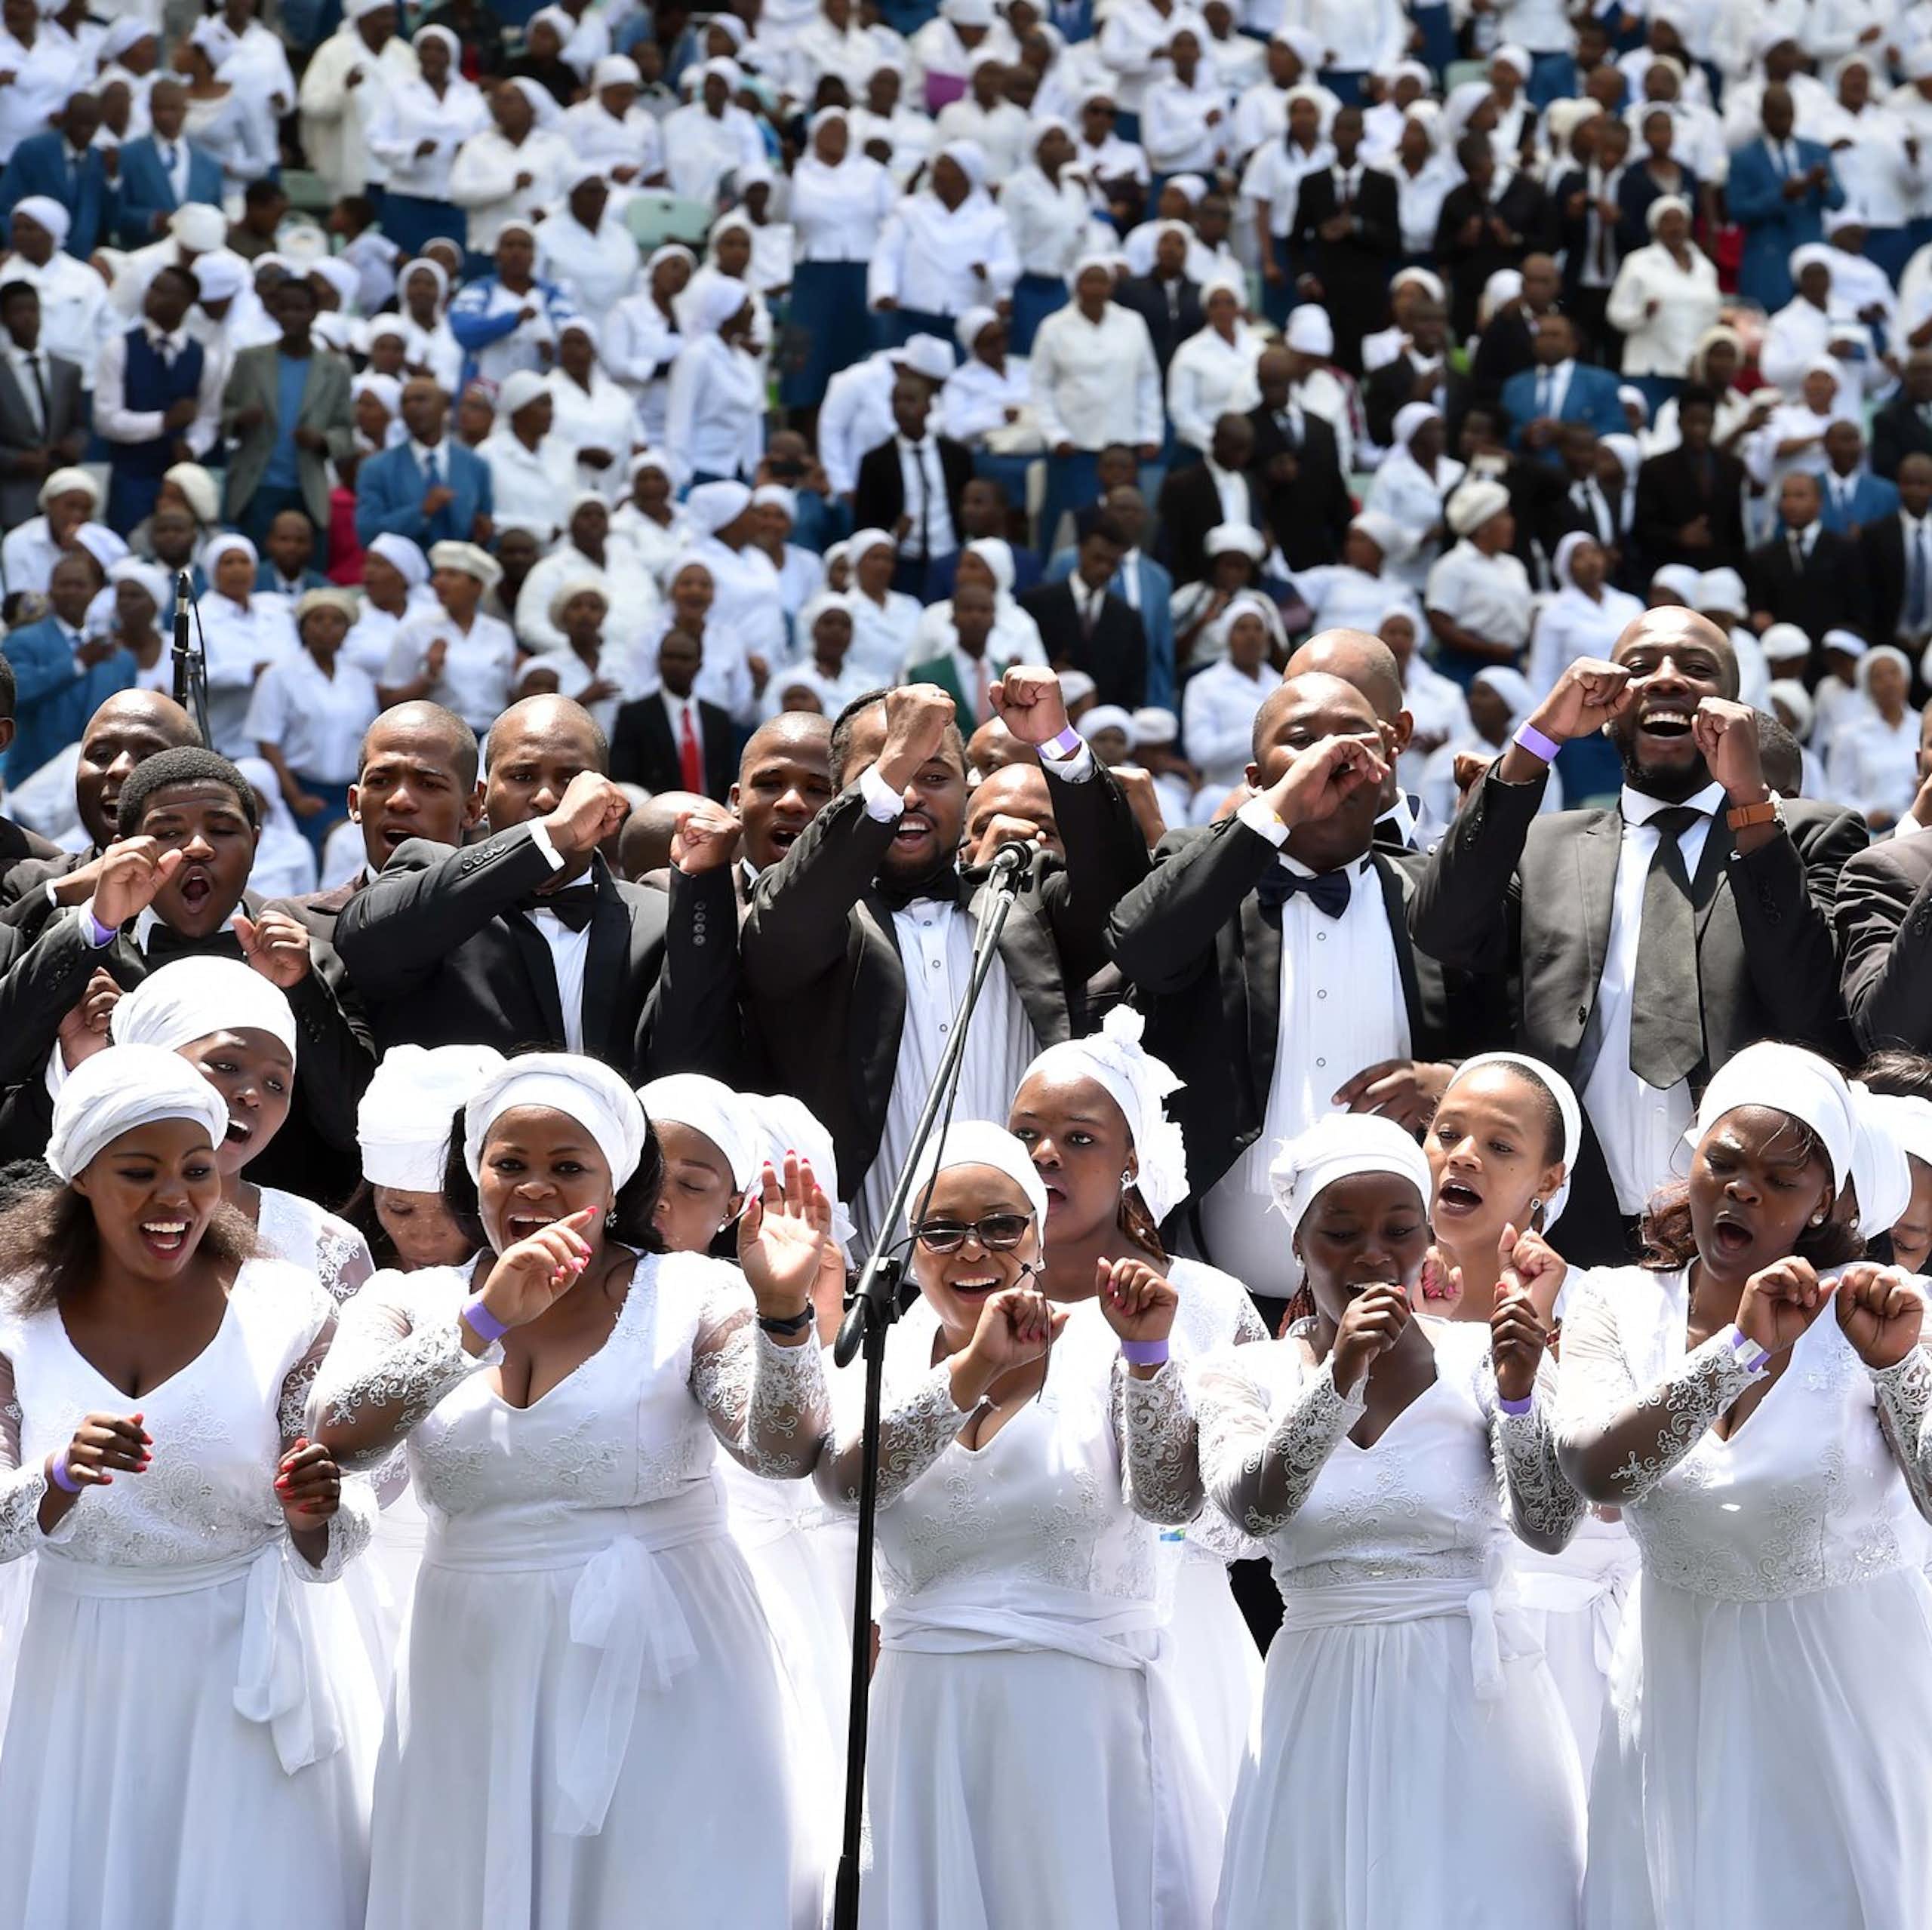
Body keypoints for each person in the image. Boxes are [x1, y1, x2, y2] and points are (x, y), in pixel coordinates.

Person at [311, 1053, 833, 1928]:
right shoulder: (408, 1299)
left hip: (670, 1665)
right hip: (472, 1667)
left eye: (568, 1167)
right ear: (471, 1169)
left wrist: (784, 1313)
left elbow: (780, 1452)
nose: (536, 1189)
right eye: (510, 1163)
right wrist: (484, 1321)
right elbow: (341, 1433)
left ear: (618, 1177)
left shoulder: (692, 1289)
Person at [1554, 1043, 1932, 1930]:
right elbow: (1596, 1468)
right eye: (1721, 1161)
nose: (1741, 1189)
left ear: (1827, 1202)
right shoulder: (1614, 1301)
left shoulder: (1879, 1305)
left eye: (1779, 1177)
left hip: (1848, 1699)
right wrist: (1736, 1353)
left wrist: (1902, 1368)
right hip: (1683, 1692)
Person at [0, 1044, 377, 1930]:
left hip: (242, 1667)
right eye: (140, 1171)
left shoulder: (289, 1307)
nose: (176, 1197)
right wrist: (55, 1477)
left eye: (198, 1170)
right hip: (85, 1670)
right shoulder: (14, 1313)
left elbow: (338, 1531)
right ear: (82, 1176)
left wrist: (313, 1508)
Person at [814, 1118, 1217, 1930]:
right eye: (943, 1228)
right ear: (911, 1245)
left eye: (1000, 1224)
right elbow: (844, 1488)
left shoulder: (1111, 1344)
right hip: (929, 1716)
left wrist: (1149, 1359)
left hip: (1076, 1716)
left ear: (1036, 1234)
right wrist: (971, 1373)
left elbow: (1171, 1502)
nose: (972, 1249)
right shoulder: (878, 1358)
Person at [1195, 1111, 1584, 1928]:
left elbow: (1549, 1524)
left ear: (1428, 1241)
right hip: (1320, 1699)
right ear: (1298, 1247)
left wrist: (1519, 1394)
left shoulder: (1484, 1352)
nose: (1372, 1253)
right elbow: (1254, 1504)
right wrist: (1338, 1376)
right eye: (1339, 1233)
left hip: (1471, 1704)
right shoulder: (1245, 1370)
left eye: (1399, 1229)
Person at [1411, 619, 1868, 1265]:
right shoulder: (1547, 845)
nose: (1667, 677)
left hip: (1746, 1231)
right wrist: (1535, 740)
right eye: (1641, 665)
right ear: (1608, 712)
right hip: (1569, 1231)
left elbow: (1812, 1006)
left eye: (1697, 668)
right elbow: (1442, 932)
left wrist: (1749, 802)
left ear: (1737, 712)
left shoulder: (1809, 832)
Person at [1106, 671, 1475, 1318]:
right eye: (1301, 740)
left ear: (1387, 762)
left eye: (1352, 737)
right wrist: (1278, 812)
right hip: (1214, 1288)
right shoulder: (1204, 866)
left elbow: (1513, 1035)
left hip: (1406, 1290)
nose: (1328, 754)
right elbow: (1142, 951)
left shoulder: (1429, 891)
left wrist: (1449, 1082)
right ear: (1256, 776)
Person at [741, 673, 1146, 1244]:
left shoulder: (1024, 899)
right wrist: (900, 755)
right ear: (843, 800)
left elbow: (1121, 890)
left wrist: (1057, 741)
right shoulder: (810, 914)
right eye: (889, 774)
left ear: (967, 794)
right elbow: (788, 923)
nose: (909, 795)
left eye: (934, 777)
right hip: (867, 1284)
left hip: (1032, 1271)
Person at [1008, 1010, 1268, 1806]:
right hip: (1019, 1643)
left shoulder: (1209, 1301)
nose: (1045, 1154)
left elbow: (1252, 1521)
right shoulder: (972, 1299)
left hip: (1176, 1635)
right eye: (1024, 1135)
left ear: (1131, 1160)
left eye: (1079, 1138)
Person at [335, 695, 742, 1081]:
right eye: (522, 776)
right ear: (482, 797)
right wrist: (550, 837)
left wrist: (703, 884)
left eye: (571, 779)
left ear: (607, 794)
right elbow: (365, 943)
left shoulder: (660, 921)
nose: (547, 798)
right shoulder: (429, 873)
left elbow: (694, 1065)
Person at [1420, 1052, 1636, 1775]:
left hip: (1570, 1655)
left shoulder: (1602, 1308)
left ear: (1551, 1180)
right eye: (1446, 1132)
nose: (1463, 1158)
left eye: (1500, 1145)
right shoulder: (1369, 1305)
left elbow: (1607, 1500)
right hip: (1422, 1648)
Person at [1029, 257, 1161, 559]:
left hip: (1122, 444)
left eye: (1102, 281)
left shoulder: (1132, 323)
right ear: (1077, 285)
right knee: (1073, 525)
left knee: (1125, 523)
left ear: (1111, 286)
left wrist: (1150, 431)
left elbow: (1147, 380)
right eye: (1089, 280)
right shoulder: (1053, 327)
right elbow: (1041, 387)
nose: (1096, 288)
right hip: (1072, 446)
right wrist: (1054, 434)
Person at [220, 277, 355, 555]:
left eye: (299, 308)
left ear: (314, 312)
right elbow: (223, 417)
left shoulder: (336, 369)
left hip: (307, 490)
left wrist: (322, 441)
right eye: (284, 308)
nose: (291, 316)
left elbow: (345, 431)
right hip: (256, 487)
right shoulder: (249, 360)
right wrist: (240, 419)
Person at [245, 588, 380, 858]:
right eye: (318, 620)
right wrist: (296, 798)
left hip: (349, 793)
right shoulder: (279, 675)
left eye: (336, 621)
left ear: (346, 630)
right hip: (302, 790)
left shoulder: (359, 678)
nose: (327, 628)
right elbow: (267, 741)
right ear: (303, 627)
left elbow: (371, 738)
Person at [96, 265, 223, 538]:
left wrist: (193, 446)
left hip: (179, 482)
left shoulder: (204, 358)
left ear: (188, 303)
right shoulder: (119, 347)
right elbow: (106, 419)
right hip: (131, 477)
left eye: (166, 291)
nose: (153, 296)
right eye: (153, 287)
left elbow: (208, 420)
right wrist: (162, 422)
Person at [2, 552, 131, 788]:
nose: (71, 591)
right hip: (33, 781)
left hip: (95, 784)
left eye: (80, 585)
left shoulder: (117, 655)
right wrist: (76, 665)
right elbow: (18, 695)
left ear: (95, 591)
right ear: (50, 590)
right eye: (64, 584)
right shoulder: (22, 641)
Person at [1287, 105, 1398, 375]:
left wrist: (1357, 227)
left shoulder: (1382, 184)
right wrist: (1304, 277)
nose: (1344, 136)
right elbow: (1295, 241)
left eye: (1351, 129)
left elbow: (1394, 241)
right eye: (1339, 129)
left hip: (1368, 294)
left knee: (1368, 366)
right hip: (1327, 292)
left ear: (1362, 134)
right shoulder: (1312, 184)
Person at [1726, 82, 1844, 313]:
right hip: (1767, 263)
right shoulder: (1744, 158)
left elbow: (1839, 201)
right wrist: (1780, 196)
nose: (1784, 122)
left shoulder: (1816, 152)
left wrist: (1822, 185)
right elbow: (1737, 210)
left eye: (1789, 115)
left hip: (1811, 263)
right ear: (1764, 116)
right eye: (1777, 116)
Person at [852, 374, 973, 598]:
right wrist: (893, 535)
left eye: (910, 400)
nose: (902, 408)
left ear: (928, 406)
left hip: (949, 558)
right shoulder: (876, 461)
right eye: (896, 401)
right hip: (903, 562)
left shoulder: (956, 456)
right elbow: (864, 522)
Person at [1020, 515, 1148, 710]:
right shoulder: (1038, 603)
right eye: (1098, 559)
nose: (1103, 569)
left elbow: (1134, 687)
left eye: (1112, 563)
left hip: (1104, 729)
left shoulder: (1127, 618)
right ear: (1080, 551)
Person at [353, 376, 494, 552]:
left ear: (444, 407)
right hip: (403, 573)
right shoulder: (376, 468)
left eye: (421, 400)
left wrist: (485, 535)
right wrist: (421, 512)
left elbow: (485, 526)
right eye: (405, 402)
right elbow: (367, 532)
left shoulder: (476, 466)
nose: (412, 407)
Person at [1424, 481, 1534, 686]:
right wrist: (1487, 649)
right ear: (1484, 526)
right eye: (1504, 516)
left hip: (1511, 662)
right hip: (1466, 666)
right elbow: (1440, 622)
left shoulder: (1513, 565)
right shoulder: (1452, 566)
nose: (1511, 523)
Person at [0, 281, 86, 535]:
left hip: (61, 482)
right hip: (14, 491)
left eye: (33, 310)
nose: (27, 318)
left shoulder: (67, 370)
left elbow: (80, 425)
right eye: (18, 311)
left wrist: (74, 444)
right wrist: (16, 460)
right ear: (4, 318)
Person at [610, 631, 734, 802]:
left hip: (713, 815)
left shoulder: (718, 719)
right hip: (657, 817)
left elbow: (729, 775)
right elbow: (623, 777)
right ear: (659, 662)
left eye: (684, 658)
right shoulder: (634, 716)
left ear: (699, 665)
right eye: (669, 657)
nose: (676, 664)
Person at [1826, 646, 1921, 828]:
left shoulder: (1923, 728)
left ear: (1906, 679)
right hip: (1873, 833)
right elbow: (1837, 793)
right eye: (1878, 677)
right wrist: (1867, 813)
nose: (1889, 682)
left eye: (1894, 673)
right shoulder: (1848, 734)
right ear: (1867, 685)